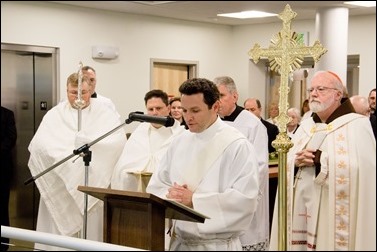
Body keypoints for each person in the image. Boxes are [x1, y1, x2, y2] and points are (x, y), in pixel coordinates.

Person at [147, 78, 260, 251]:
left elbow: (245, 201)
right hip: (179, 244)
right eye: (184, 110)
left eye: (195, 110)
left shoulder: (236, 144)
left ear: (215, 107)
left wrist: (194, 200)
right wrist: (172, 196)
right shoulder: (179, 141)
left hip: (217, 245)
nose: (188, 117)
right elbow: (158, 185)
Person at [270, 70, 376, 250]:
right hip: (301, 208)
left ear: (338, 94)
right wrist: (294, 162)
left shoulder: (357, 125)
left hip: (331, 209)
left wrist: (320, 160)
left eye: (320, 89)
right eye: (311, 90)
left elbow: (365, 171)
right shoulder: (306, 126)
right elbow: (289, 160)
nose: (313, 94)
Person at [28, 73, 126, 250]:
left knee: (91, 234)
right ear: (66, 90)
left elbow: (117, 141)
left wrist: (92, 144)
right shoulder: (55, 114)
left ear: (91, 90)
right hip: (60, 182)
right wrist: (66, 157)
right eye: (74, 92)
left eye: (84, 92)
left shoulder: (104, 112)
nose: (79, 97)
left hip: (93, 185)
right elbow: (39, 146)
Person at [213, 76, 269, 251]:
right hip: (217, 197)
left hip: (242, 197)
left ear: (235, 96)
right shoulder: (213, 122)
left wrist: (238, 195)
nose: (217, 101)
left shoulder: (253, 125)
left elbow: (259, 165)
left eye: (221, 95)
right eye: (214, 96)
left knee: (245, 240)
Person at [111, 89, 184, 192]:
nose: (154, 113)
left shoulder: (180, 134)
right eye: (151, 109)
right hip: (136, 192)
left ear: (168, 109)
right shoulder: (139, 133)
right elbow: (123, 165)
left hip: (166, 193)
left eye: (158, 108)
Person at [1, 106, 17, 251]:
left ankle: (3, 244)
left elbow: (11, 139)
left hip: (2, 171)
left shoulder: (7, 114)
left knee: (2, 209)